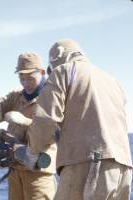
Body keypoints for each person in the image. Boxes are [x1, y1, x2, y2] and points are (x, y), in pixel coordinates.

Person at [25, 40, 132, 200]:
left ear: (58, 57)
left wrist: (32, 153)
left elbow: (45, 120)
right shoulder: (112, 80)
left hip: (89, 164)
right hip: (124, 168)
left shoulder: (64, 71)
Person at [0, 52, 57, 200]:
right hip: (15, 169)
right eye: (21, 78)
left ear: (42, 72)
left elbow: (54, 130)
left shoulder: (52, 97)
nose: (25, 83)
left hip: (38, 173)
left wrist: (25, 121)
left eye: (30, 78)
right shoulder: (16, 96)